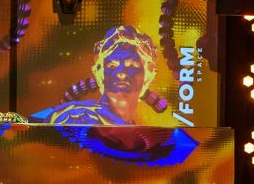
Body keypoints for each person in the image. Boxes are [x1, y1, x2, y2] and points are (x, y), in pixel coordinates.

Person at [30, 25, 159, 125]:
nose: (120, 72)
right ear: (100, 74)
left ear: (148, 76)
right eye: (112, 66)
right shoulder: (78, 117)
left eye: (132, 65)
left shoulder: (137, 134)